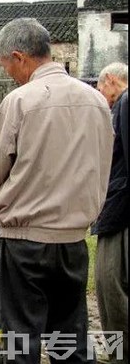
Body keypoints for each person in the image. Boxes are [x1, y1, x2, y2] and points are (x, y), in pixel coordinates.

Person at [0, 18, 114, 363]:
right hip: (73, 240)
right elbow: (104, 164)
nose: (8, 72)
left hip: (24, 238)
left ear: (19, 57)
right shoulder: (97, 101)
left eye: (5, 64)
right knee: (70, 336)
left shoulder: (20, 101)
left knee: (17, 338)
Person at [93, 62, 128, 363]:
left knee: (110, 287)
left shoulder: (126, 102)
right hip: (119, 210)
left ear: (112, 81)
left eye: (100, 87)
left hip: (120, 213)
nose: (98, 93)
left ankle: (120, 354)